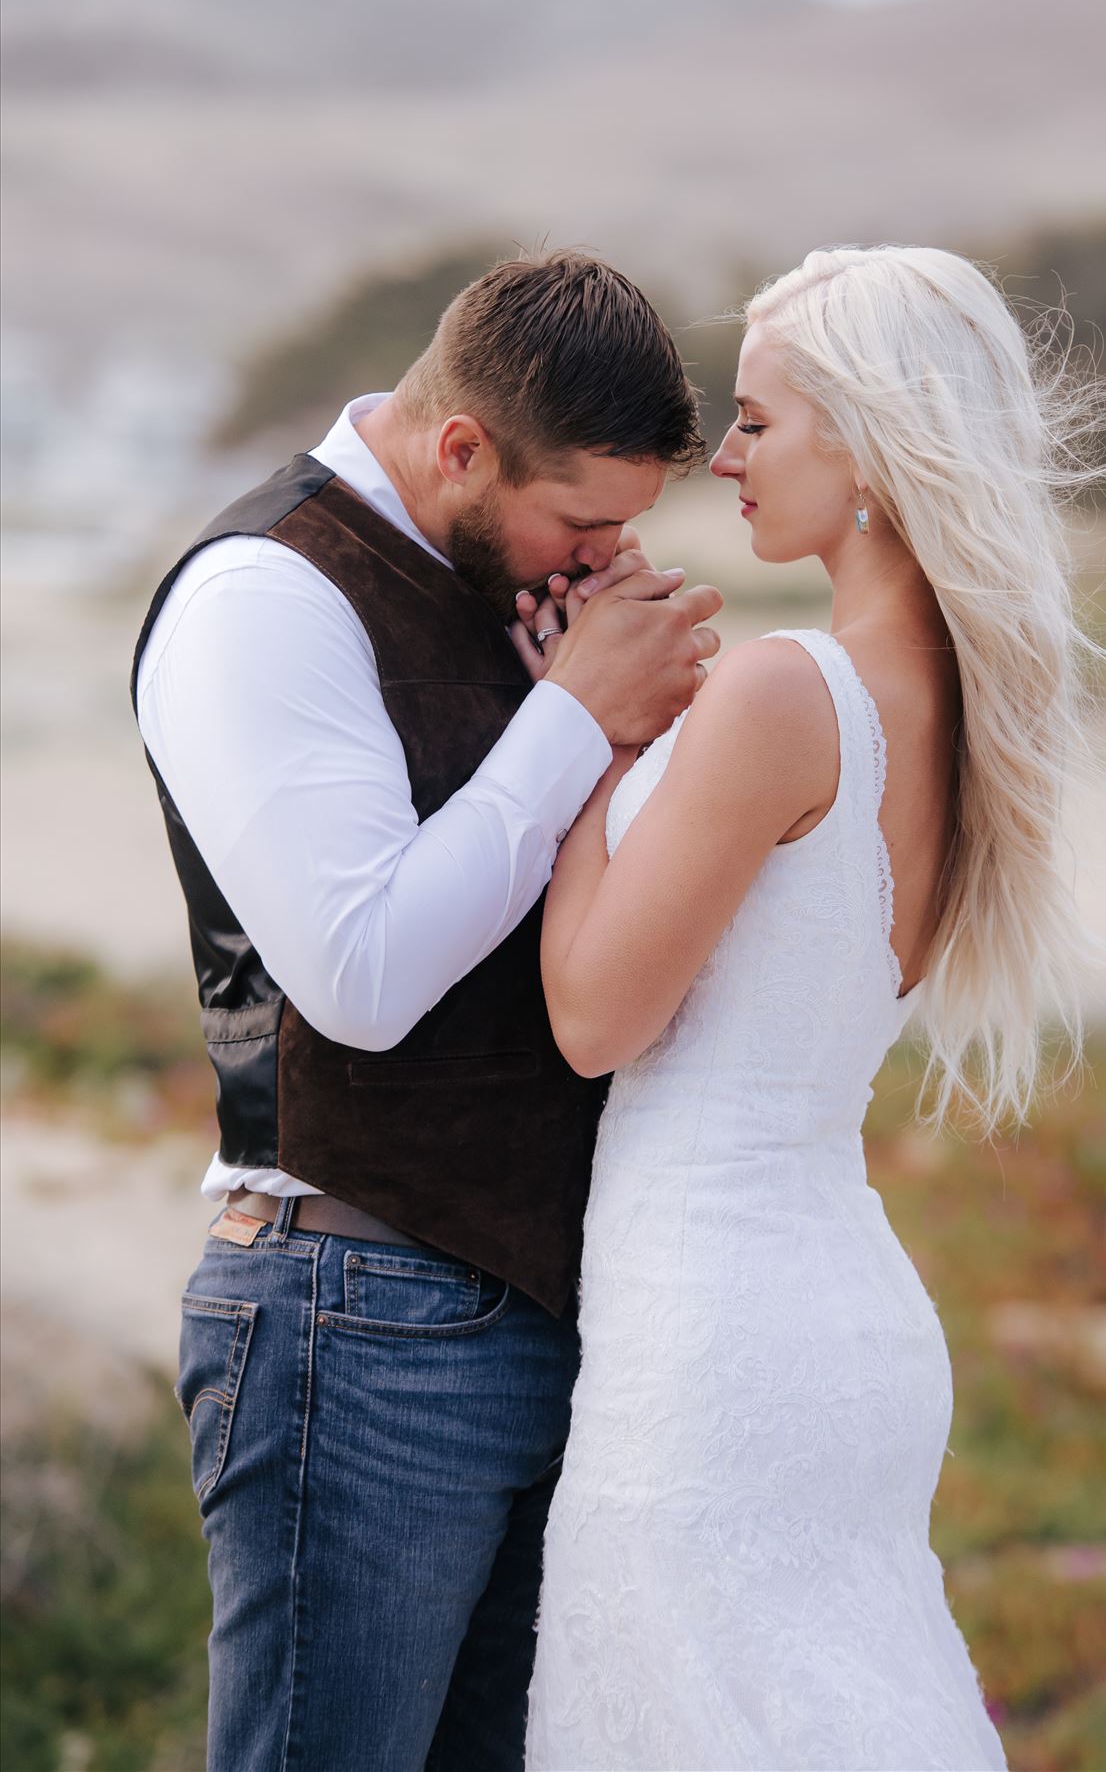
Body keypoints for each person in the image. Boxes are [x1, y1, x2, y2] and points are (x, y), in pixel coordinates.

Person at [129, 251, 722, 1772]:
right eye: (580, 518)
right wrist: (577, 710)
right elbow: (363, 977)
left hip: (548, 1309)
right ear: (460, 446)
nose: (600, 553)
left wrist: (608, 736)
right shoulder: (263, 593)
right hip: (359, 1319)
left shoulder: (511, 595)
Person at [520, 245, 1106, 1770]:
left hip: (710, 1328)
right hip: (840, 1316)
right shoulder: (969, 721)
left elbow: (594, 1021)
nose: (720, 456)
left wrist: (582, 735)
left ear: (868, 443)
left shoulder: (787, 693)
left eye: (757, 420)